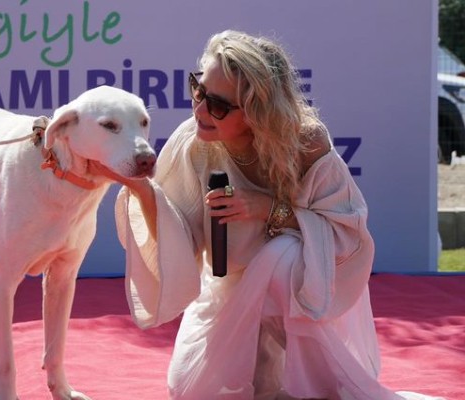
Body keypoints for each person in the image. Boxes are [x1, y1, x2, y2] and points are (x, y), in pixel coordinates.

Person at [90, 30, 443, 400]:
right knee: (188, 389)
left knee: (281, 256)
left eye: (218, 105)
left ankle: (307, 384)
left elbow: (347, 234)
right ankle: (266, 370)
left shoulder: (305, 143)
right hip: (232, 290)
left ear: (258, 110)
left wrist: (266, 210)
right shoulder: (194, 142)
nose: (199, 110)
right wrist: (143, 190)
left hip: (311, 293)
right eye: (198, 90)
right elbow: (181, 239)